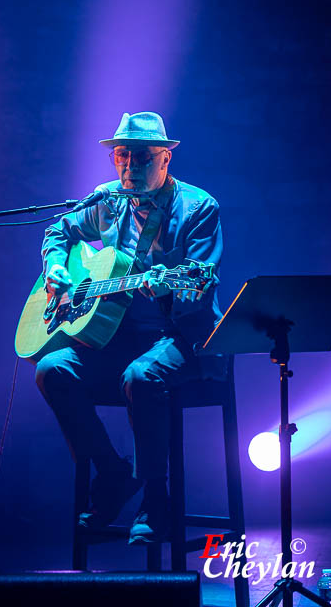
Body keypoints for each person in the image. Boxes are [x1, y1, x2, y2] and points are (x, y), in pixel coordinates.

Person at [35, 111, 224, 544]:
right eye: (122, 156)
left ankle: (157, 497)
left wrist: (164, 290)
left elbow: (197, 286)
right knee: (53, 368)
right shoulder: (107, 199)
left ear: (165, 160)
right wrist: (57, 269)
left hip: (182, 336)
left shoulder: (199, 208)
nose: (129, 167)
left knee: (142, 376)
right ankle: (115, 472)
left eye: (141, 157)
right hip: (117, 336)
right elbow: (58, 231)